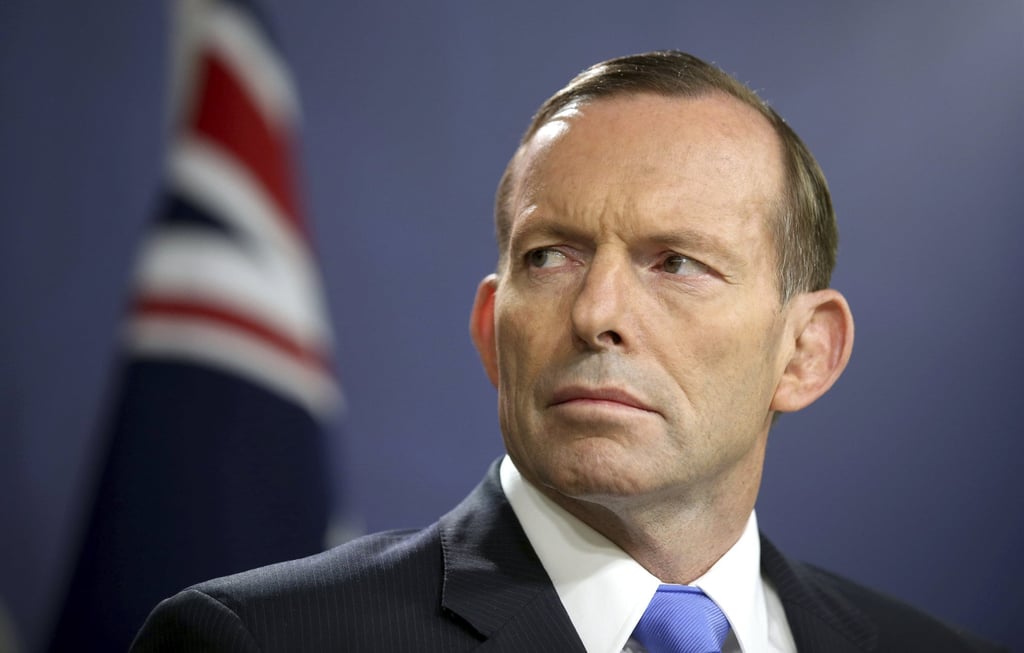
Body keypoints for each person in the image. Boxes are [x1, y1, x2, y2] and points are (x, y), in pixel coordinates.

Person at [131, 50, 1005, 652]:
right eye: (550, 257)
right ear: (490, 329)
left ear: (806, 352)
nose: (596, 313)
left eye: (677, 263)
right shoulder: (258, 642)